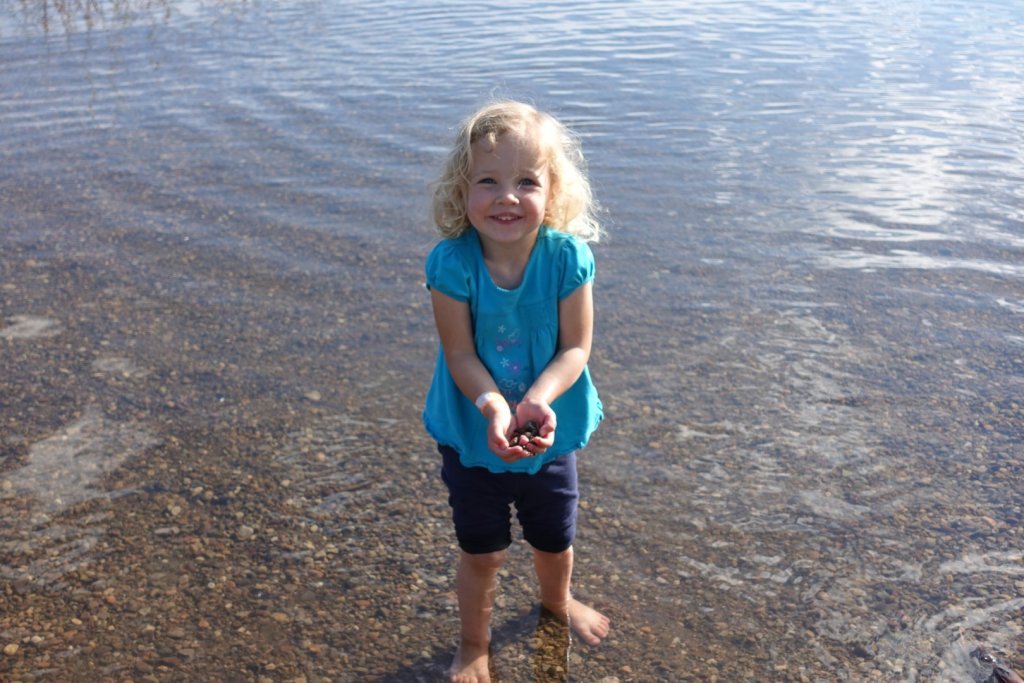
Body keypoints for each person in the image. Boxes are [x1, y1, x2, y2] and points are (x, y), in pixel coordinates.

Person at [423, 100, 610, 683]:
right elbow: (459, 354)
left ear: (552, 192)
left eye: (526, 181)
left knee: (554, 538)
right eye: (488, 181)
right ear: (461, 191)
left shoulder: (566, 258)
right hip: (473, 435)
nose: (507, 196)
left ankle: (557, 603)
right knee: (482, 551)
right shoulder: (451, 265)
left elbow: (575, 349)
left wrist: (537, 400)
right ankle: (474, 643)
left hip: (546, 430)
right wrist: (494, 405)